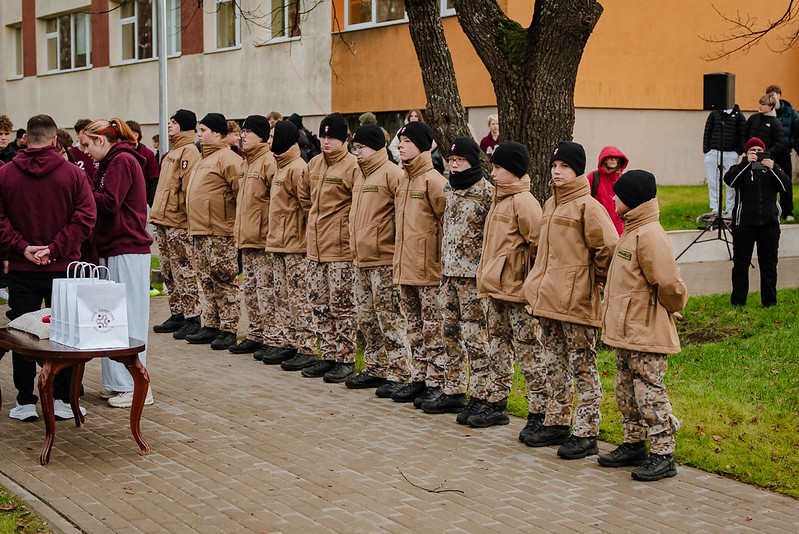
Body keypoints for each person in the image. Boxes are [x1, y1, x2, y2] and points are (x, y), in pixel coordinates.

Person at [522, 141, 618, 459]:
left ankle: (586, 430)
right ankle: (558, 420)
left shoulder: (588, 207)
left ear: (577, 169)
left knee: (583, 367)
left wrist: (594, 281)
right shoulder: (550, 204)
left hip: (576, 302)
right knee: (554, 364)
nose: (557, 171)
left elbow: (608, 248)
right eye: (554, 165)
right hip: (548, 300)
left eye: (564, 166)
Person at [0, 114, 96, 422]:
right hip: (63, 267)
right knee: (66, 335)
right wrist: (55, 249)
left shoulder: (5, 174)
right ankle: (63, 399)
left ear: (25, 139)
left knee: (22, 334)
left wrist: (22, 247)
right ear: (55, 141)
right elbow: (85, 218)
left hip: (21, 267)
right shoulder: (73, 174)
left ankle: (25, 400)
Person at [599, 169, 688, 481]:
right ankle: (634, 443)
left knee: (650, 394)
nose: (613, 197)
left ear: (633, 200)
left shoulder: (649, 234)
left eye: (619, 195)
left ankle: (664, 453)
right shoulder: (631, 229)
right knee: (626, 391)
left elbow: (669, 282)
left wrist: (671, 307)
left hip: (644, 331)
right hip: (626, 331)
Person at [468, 142, 546, 437]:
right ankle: (496, 401)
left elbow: (538, 246)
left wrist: (530, 284)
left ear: (514, 171)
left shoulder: (524, 202)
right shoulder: (499, 200)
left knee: (529, 355)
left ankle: (539, 411)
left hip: (517, 294)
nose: (494, 173)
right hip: (496, 291)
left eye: (499, 168)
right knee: (497, 348)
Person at [79, 118, 154, 408]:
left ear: (101, 141)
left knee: (129, 318)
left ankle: (137, 387)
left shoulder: (121, 161)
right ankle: (118, 383)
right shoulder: (111, 162)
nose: (84, 151)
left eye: (87, 144)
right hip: (113, 246)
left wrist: (82, 183)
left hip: (127, 248)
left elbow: (110, 202)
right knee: (111, 318)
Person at [420, 137, 493, 420]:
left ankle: (481, 393)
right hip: (448, 274)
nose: (455, 166)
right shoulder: (448, 189)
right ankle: (453, 389)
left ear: (473, 161)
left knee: (476, 337)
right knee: (450, 334)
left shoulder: (487, 192)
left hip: (472, 278)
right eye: (451, 161)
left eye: (460, 161)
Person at [345, 124, 409, 390]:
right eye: (355, 148)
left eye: (361, 148)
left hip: (384, 259)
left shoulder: (393, 174)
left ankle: (400, 371)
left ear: (377, 147)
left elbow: (403, 217)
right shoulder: (359, 176)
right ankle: (376, 367)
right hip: (361, 258)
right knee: (367, 318)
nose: (357, 153)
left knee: (390, 318)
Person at [388, 121, 447, 403]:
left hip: (429, 270)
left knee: (433, 328)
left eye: (407, 141)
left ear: (422, 146)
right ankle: (420, 377)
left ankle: (437, 380)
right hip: (406, 266)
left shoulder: (434, 181)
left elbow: (447, 225)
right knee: (414, 327)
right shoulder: (403, 179)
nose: (400, 145)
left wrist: (438, 262)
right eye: (400, 141)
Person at [297, 112, 359, 383]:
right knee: (319, 304)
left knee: (342, 305)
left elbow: (358, 206)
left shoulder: (353, 166)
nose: (325, 142)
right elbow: (303, 196)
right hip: (316, 248)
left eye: (331, 137)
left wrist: (341, 227)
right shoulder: (314, 164)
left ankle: (345, 358)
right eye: (322, 136)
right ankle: (329, 354)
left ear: (344, 138)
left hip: (340, 249)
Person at [262, 120, 318, 370]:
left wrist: (301, 237)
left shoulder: (298, 168)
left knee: (299, 299)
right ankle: (289, 342)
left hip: (295, 245)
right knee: (282, 298)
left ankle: (307, 346)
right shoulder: (280, 166)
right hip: (278, 243)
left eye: (273, 135)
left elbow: (307, 207)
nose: (270, 140)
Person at [183, 113, 242, 349]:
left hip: (221, 231)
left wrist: (233, 224)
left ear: (217, 133)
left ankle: (229, 327)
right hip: (202, 230)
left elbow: (241, 193)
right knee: (207, 279)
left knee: (224, 279)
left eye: (204, 130)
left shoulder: (228, 159)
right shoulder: (204, 158)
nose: (199, 134)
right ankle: (213, 323)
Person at [149, 109, 202, 339]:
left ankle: (192, 316)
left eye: (174, 122)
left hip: (178, 222)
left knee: (183, 270)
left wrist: (185, 218)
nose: (169, 125)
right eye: (169, 122)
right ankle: (177, 313)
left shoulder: (189, 152)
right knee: (169, 271)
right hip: (163, 219)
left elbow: (188, 189)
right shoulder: (172, 151)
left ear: (185, 126)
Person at [229, 115, 277, 355]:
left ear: (261, 136)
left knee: (266, 292)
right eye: (242, 131)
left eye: (248, 131)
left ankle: (271, 336)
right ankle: (256, 333)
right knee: (250, 289)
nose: (243, 135)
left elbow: (276, 202)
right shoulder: (245, 163)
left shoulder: (269, 162)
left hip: (263, 240)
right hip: (247, 238)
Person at [724, 137, 789, 307]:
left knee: (769, 264)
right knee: (740, 264)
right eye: (752, 150)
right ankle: (738, 301)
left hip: (769, 224)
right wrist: (746, 164)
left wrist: (773, 168)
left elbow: (784, 186)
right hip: (744, 224)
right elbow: (730, 180)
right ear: (746, 153)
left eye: (759, 151)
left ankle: (769, 302)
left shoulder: (772, 169)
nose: (756, 153)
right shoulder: (739, 168)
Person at [701, 104, 746, 220]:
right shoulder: (714, 113)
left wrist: (738, 151)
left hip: (730, 153)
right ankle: (716, 208)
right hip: (714, 152)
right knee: (713, 181)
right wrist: (707, 149)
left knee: (730, 182)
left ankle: (730, 209)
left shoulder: (738, 116)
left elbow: (742, 134)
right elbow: (708, 131)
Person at [766, 84, 799, 221]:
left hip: (784, 152)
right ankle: (772, 210)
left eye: (774, 93)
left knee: (786, 182)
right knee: (769, 183)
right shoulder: (767, 113)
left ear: (779, 95)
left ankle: (788, 212)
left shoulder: (790, 112)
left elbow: (796, 131)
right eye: (770, 94)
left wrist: (790, 143)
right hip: (770, 154)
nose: (772, 96)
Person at [587, 146, 630, 235]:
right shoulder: (593, 177)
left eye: (616, 157)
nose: (613, 159)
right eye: (610, 157)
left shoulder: (623, 179)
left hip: (618, 229)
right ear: (603, 159)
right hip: (598, 227)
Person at [125, 120, 160, 207]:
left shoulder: (148, 154)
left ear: (136, 135)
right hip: (124, 201)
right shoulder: (119, 153)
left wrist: (151, 203)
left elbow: (153, 181)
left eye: (126, 133)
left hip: (142, 202)